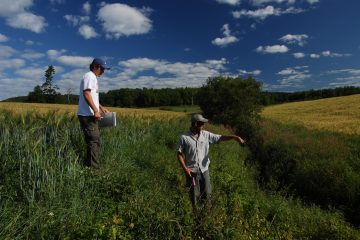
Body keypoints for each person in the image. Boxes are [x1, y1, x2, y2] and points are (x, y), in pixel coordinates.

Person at [177, 113, 245, 210]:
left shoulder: (206, 135)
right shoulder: (184, 137)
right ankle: (196, 216)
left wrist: (235, 137)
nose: (203, 125)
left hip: (204, 170)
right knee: (194, 197)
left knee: (207, 194)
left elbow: (221, 137)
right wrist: (185, 169)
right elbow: (179, 154)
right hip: (191, 173)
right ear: (195, 124)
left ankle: (206, 213)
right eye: (201, 123)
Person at [77, 58, 110, 168]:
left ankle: (90, 165)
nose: (103, 71)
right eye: (102, 69)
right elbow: (86, 94)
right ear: (95, 66)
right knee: (93, 141)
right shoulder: (90, 76)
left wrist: (101, 108)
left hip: (90, 114)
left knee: (94, 140)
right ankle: (93, 169)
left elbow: (92, 96)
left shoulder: (93, 77)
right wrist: (96, 111)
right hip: (87, 115)